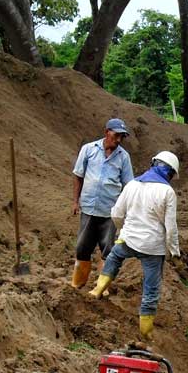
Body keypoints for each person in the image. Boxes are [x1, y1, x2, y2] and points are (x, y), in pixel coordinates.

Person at [88, 151, 181, 340]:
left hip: (128, 239)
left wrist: (125, 230)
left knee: (114, 258)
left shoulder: (132, 185)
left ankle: (97, 290)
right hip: (153, 247)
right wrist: (174, 251)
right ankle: (146, 331)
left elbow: (116, 213)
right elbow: (171, 228)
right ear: (170, 173)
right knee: (151, 287)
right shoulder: (167, 192)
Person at [69, 118, 134, 289]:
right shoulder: (89, 150)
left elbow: (129, 185)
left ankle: (101, 287)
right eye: (116, 135)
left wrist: (126, 209)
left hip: (110, 212)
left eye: (122, 137)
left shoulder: (123, 157)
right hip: (89, 208)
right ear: (107, 132)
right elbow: (78, 175)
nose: (119, 140)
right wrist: (75, 201)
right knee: (82, 248)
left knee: (108, 249)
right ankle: (78, 283)